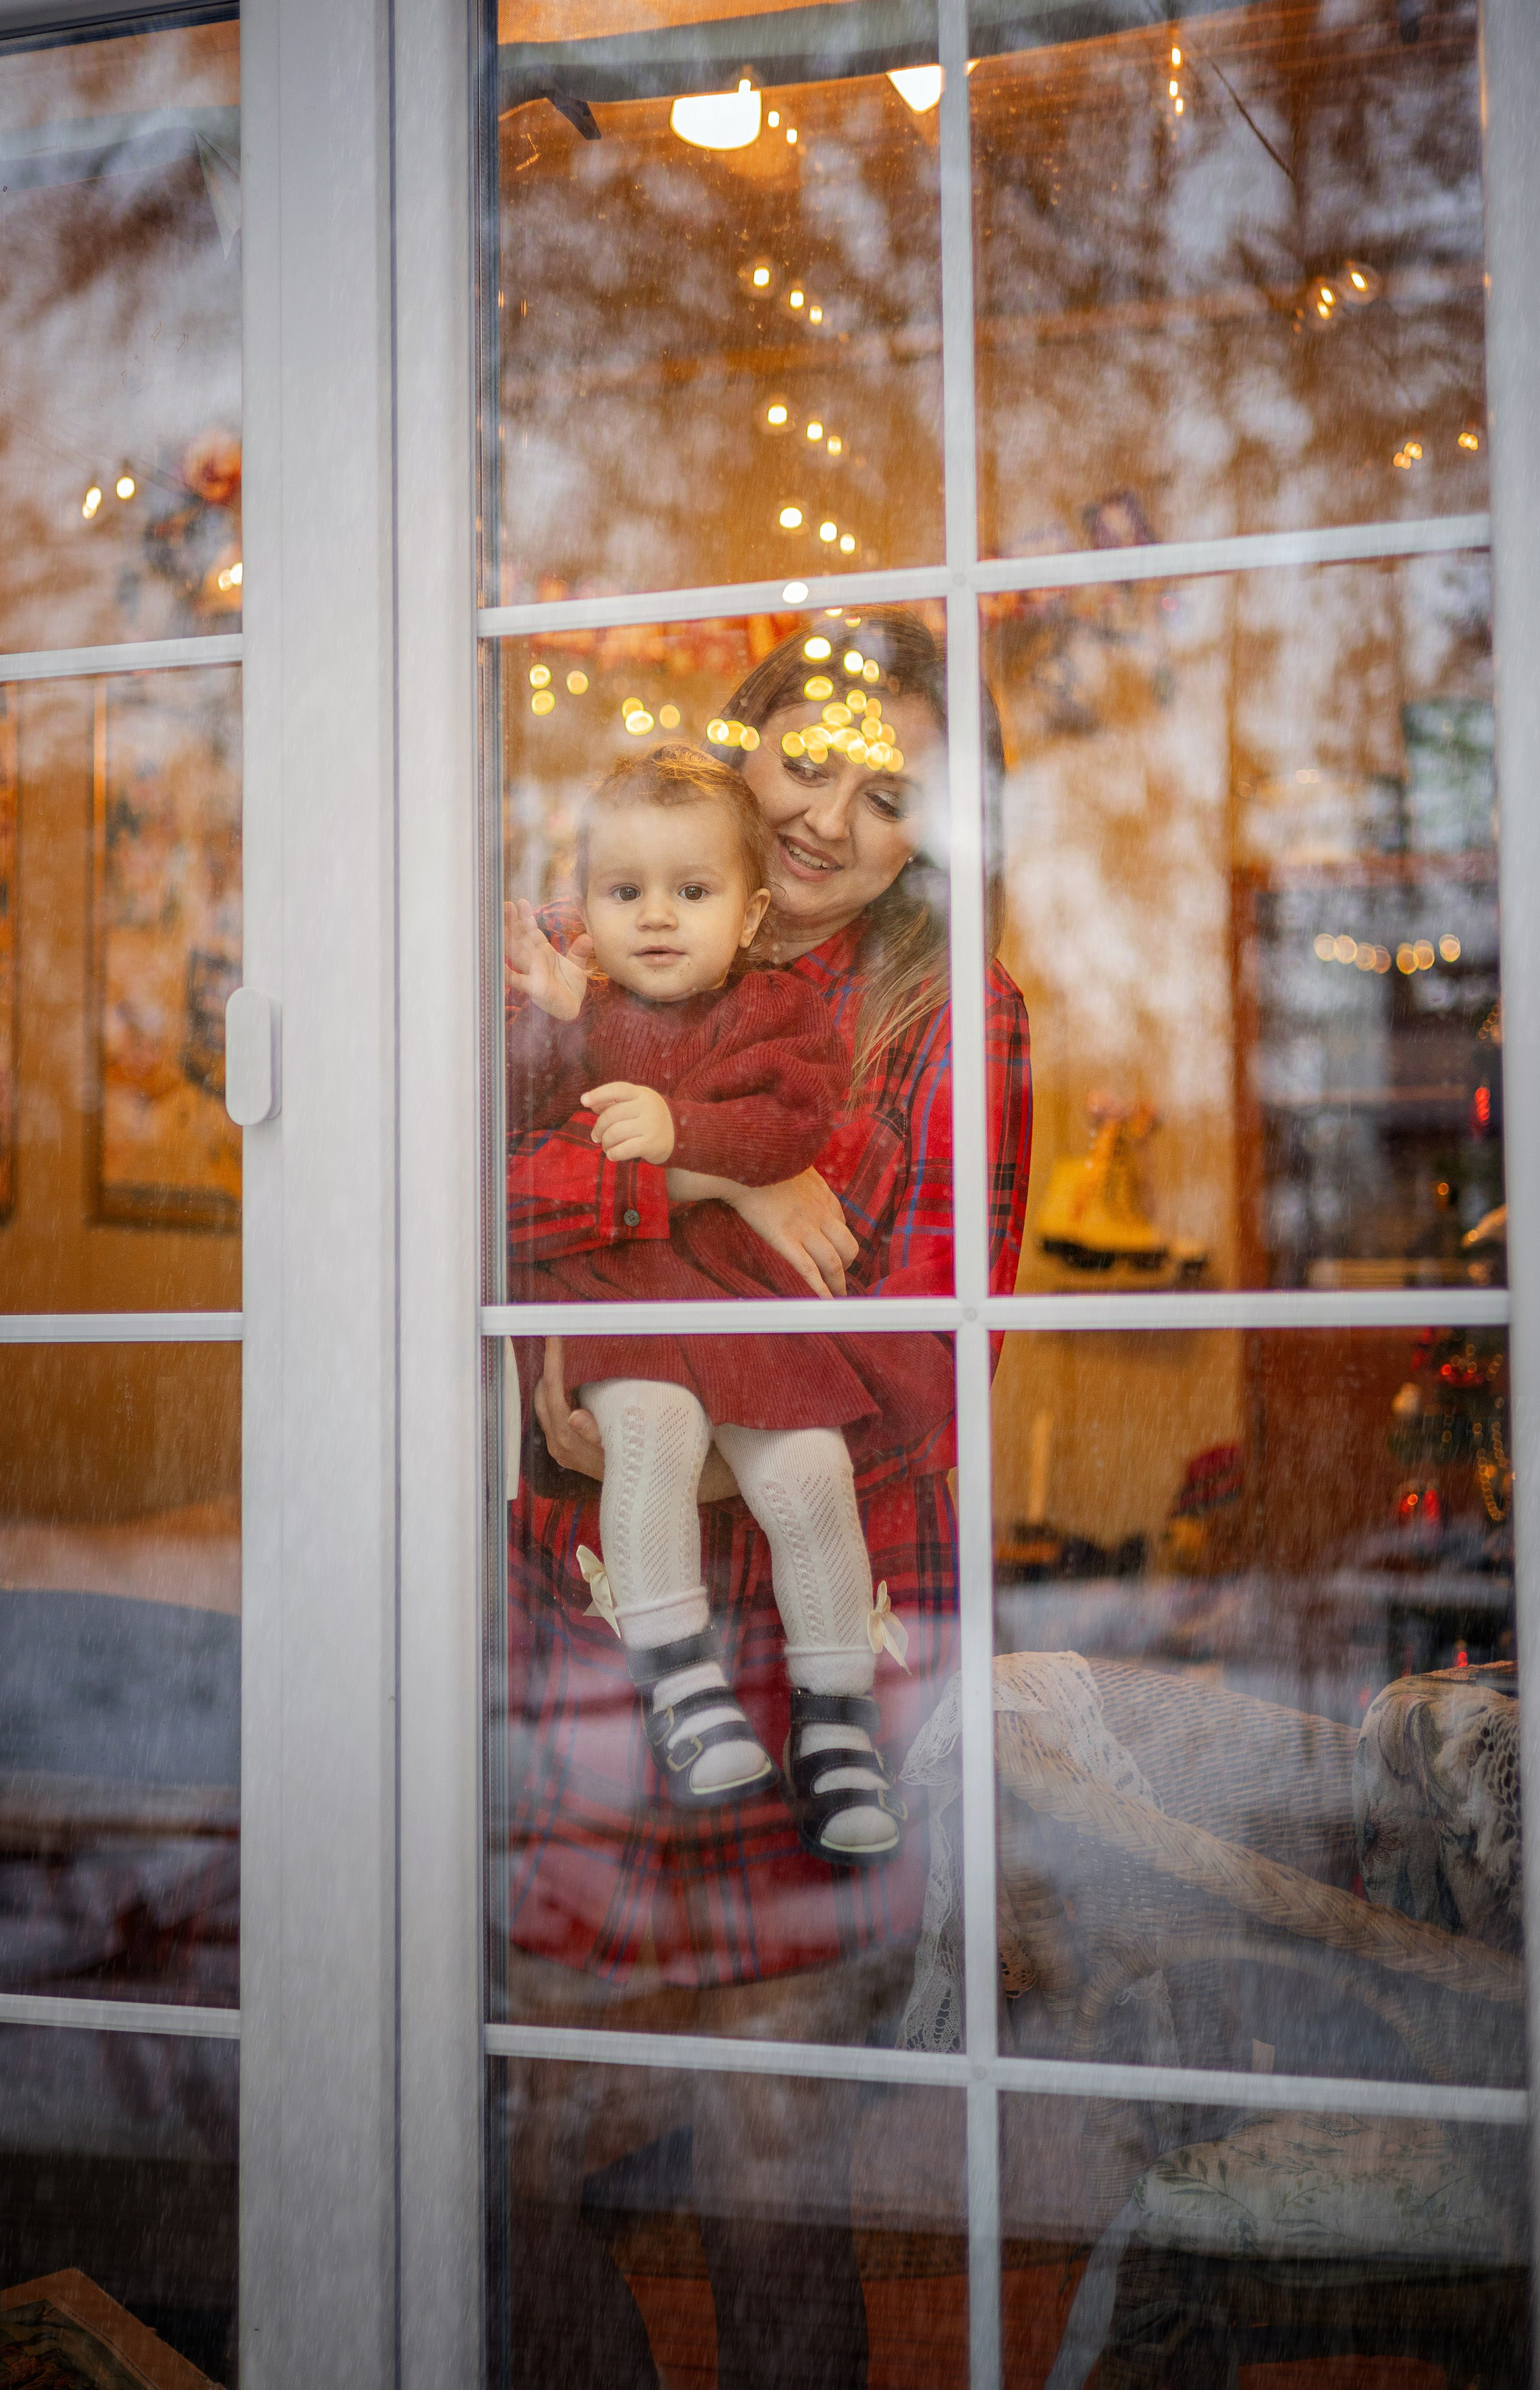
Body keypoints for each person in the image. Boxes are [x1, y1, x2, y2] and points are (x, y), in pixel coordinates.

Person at [500, 610, 1032, 2390]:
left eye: (890, 796)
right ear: (741, 743)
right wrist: (716, 1208)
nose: (829, 819)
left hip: (818, 1617)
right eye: (809, 759)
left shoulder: (953, 1020)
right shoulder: (586, 953)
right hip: (590, 1608)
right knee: (498, 2137)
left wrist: (634, 1263)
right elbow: (462, 1217)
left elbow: (920, 1374)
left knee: (769, 2169)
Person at [504, 742, 943, 1860]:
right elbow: (505, 1173)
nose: (656, 917)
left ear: (749, 917)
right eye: (624, 893)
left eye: (691, 894)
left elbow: (793, 1127)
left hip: (741, 1308)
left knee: (809, 1471)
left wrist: (682, 1138)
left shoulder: (774, 1011)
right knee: (650, 1431)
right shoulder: (570, 1009)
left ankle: (836, 1718)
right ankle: (675, 1680)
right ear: (588, 909)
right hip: (629, 1296)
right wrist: (556, 1021)